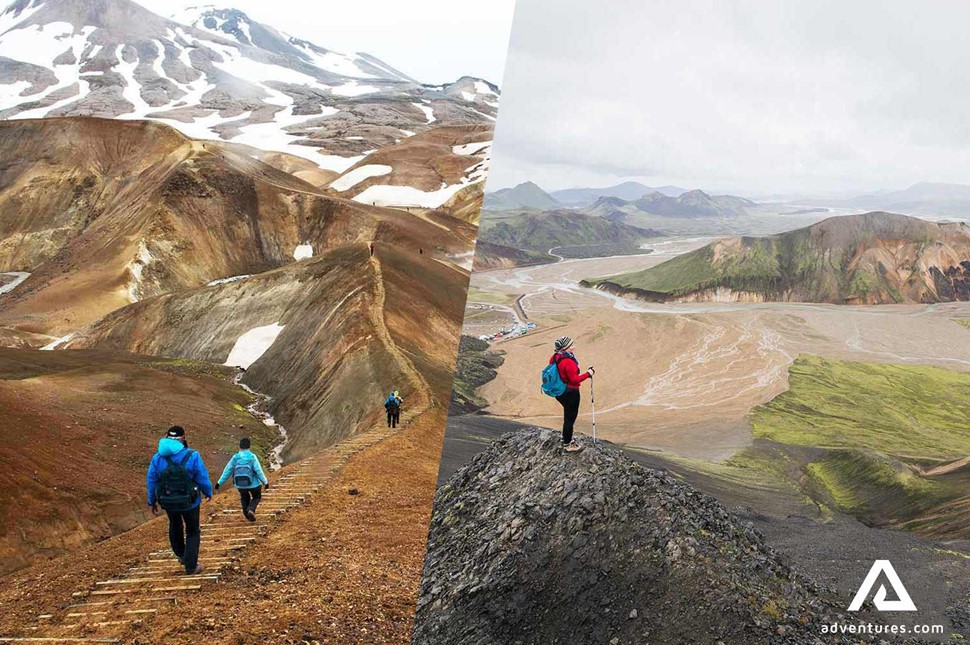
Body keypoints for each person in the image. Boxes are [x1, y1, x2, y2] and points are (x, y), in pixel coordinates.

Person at [147, 426, 213, 575]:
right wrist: (207, 492)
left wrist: (152, 501)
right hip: (190, 502)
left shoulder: (157, 458)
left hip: (168, 501)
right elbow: (201, 476)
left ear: (166, 437)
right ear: (183, 438)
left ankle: (182, 555)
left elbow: (151, 480)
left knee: (175, 526)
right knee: (192, 530)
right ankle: (190, 566)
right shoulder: (192, 455)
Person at [549, 336, 595, 452]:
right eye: (571, 344)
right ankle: (568, 444)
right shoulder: (568, 361)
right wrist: (588, 374)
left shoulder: (555, 357)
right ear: (566, 347)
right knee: (570, 418)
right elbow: (574, 380)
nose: (574, 345)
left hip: (560, 391)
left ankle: (566, 438)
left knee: (567, 416)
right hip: (570, 392)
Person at [215, 438, 269, 522]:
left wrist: (219, 482)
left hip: (240, 484)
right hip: (254, 484)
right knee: (256, 497)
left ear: (239, 446)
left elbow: (228, 470)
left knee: (244, 497)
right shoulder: (252, 457)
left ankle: (247, 514)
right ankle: (251, 509)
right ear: (249, 446)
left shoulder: (235, 457)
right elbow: (258, 471)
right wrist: (265, 482)